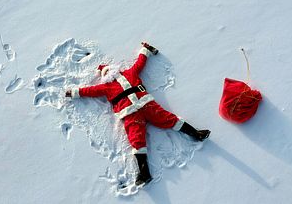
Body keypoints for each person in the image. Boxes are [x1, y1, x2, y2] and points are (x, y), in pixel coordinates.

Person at [65, 42, 210, 187]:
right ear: (105, 77)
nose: (109, 73)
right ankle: (144, 173)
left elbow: (140, 63)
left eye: (109, 71)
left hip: (147, 104)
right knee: (136, 138)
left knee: (168, 118)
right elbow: (90, 91)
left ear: (115, 70)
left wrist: (146, 50)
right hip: (130, 113)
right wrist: (74, 92)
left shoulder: (130, 73)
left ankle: (197, 134)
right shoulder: (106, 87)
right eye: (106, 73)